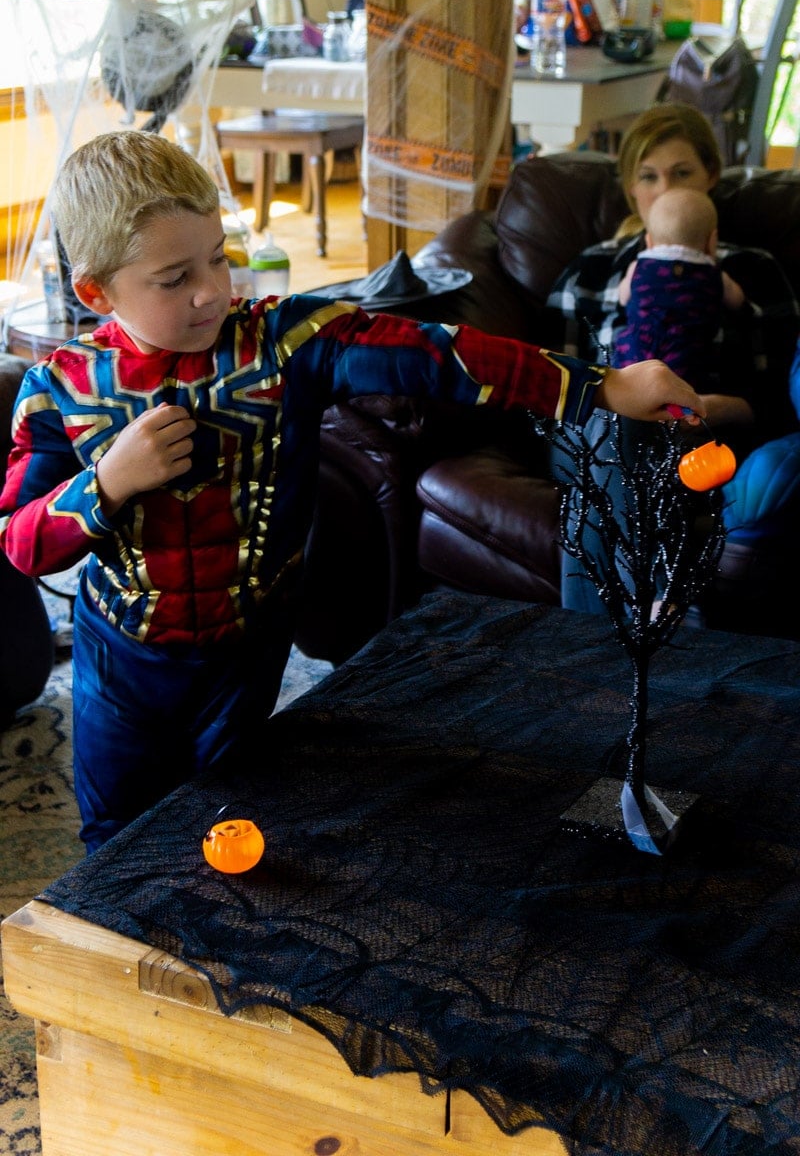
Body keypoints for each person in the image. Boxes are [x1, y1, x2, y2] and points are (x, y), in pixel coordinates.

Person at [0, 130, 704, 852]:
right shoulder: (57, 392)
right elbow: (21, 544)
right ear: (95, 290)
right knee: (117, 830)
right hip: (124, 657)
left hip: (251, 641)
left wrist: (597, 386)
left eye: (219, 257)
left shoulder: (290, 342)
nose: (213, 289)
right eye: (174, 278)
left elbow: (443, 357)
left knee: (233, 807)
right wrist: (105, 484)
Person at [546, 102, 800, 619]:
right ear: (630, 189)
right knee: (612, 426)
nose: (664, 190)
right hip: (596, 435)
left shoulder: (753, 271)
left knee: (613, 466)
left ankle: (598, 649)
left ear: (710, 175)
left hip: (707, 432)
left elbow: (785, 398)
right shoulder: (592, 272)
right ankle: (664, 610)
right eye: (648, 176)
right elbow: (553, 384)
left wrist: (717, 407)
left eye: (681, 173)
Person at [614, 186, 743, 386]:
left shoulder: (637, 267)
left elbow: (622, 299)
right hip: (688, 352)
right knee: (683, 393)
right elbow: (737, 302)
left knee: (628, 388)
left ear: (648, 241)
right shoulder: (715, 274)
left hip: (636, 350)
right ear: (712, 241)